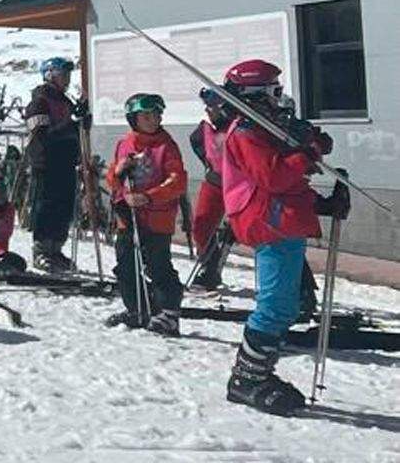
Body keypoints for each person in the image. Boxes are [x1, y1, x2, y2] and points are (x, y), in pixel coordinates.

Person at [217, 60, 346, 416]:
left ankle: (258, 373)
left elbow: (288, 184)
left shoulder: (266, 128)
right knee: (275, 305)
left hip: (281, 219)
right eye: (273, 91)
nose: (279, 98)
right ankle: (247, 379)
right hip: (267, 222)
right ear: (254, 96)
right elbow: (273, 178)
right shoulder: (245, 132)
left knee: (285, 305)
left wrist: (322, 203)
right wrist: (307, 155)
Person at [103, 93, 187, 335]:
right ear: (134, 119)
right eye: (146, 116)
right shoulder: (125, 143)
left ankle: (168, 314)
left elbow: (177, 181)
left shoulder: (166, 146)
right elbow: (112, 179)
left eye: (157, 115)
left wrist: (149, 196)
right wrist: (118, 172)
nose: (153, 120)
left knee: (158, 265)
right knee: (126, 264)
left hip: (156, 216)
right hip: (128, 217)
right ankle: (137, 309)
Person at [24, 57, 86, 274]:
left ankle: (56, 248)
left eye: (68, 75)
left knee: (65, 206)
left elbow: (69, 125)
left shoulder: (64, 101)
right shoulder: (40, 100)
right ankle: (41, 249)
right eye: (63, 74)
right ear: (50, 75)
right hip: (47, 161)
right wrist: (68, 128)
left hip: (66, 160)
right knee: (46, 206)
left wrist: (79, 125)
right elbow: (40, 132)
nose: (67, 79)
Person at [188, 89, 234, 290]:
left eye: (212, 108)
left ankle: (301, 285)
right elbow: (198, 145)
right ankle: (209, 266)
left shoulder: (239, 127)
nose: (208, 112)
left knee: (259, 232)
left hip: (242, 185)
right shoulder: (204, 131)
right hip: (215, 182)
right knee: (201, 226)